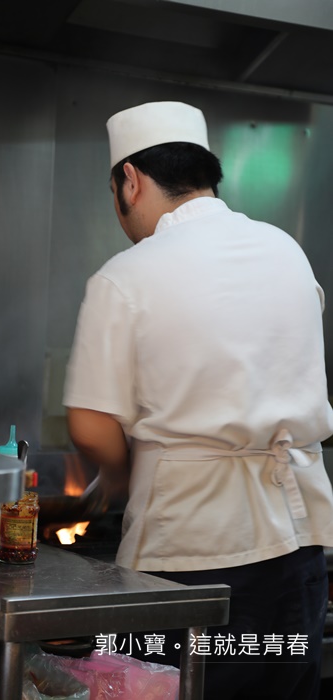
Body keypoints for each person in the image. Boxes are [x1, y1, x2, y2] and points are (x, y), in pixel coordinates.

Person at [63, 101, 333, 699]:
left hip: (190, 554)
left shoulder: (126, 276)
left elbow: (89, 424)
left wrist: (117, 475)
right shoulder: (286, 251)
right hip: (300, 543)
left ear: (130, 180)